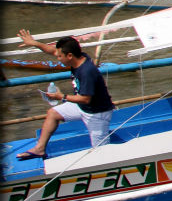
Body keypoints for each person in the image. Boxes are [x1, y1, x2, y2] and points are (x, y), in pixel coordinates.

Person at [15, 30, 115, 159]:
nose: (57, 58)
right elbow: (52, 51)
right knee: (53, 113)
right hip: (81, 107)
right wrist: (34, 43)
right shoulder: (79, 57)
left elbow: (85, 99)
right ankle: (40, 149)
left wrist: (61, 97)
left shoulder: (87, 72)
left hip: (97, 113)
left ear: (69, 56)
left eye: (59, 56)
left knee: (101, 152)